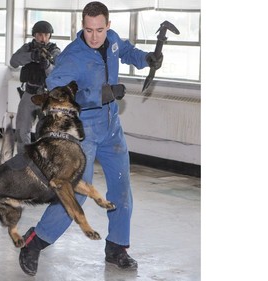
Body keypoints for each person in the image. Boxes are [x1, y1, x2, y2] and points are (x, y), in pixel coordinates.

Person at [18, 1, 163, 276]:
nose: (94, 36)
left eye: (99, 29)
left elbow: (128, 51)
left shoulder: (112, 39)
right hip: (83, 133)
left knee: (121, 189)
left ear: (108, 26)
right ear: (81, 27)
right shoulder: (73, 56)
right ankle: (34, 243)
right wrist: (99, 95)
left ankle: (117, 248)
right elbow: (55, 92)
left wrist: (147, 59)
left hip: (112, 129)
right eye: (88, 30)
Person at [10, 21, 61, 153]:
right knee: (21, 130)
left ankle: (44, 162)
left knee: (46, 133)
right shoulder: (28, 48)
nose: (43, 38)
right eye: (39, 35)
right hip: (29, 94)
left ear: (50, 36)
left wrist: (47, 66)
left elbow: (58, 74)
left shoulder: (55, 51)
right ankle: (23, 159)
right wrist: (31, 56)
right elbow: (14, 62)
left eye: (46, 35)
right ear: (34, 35)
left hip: (47, 97)